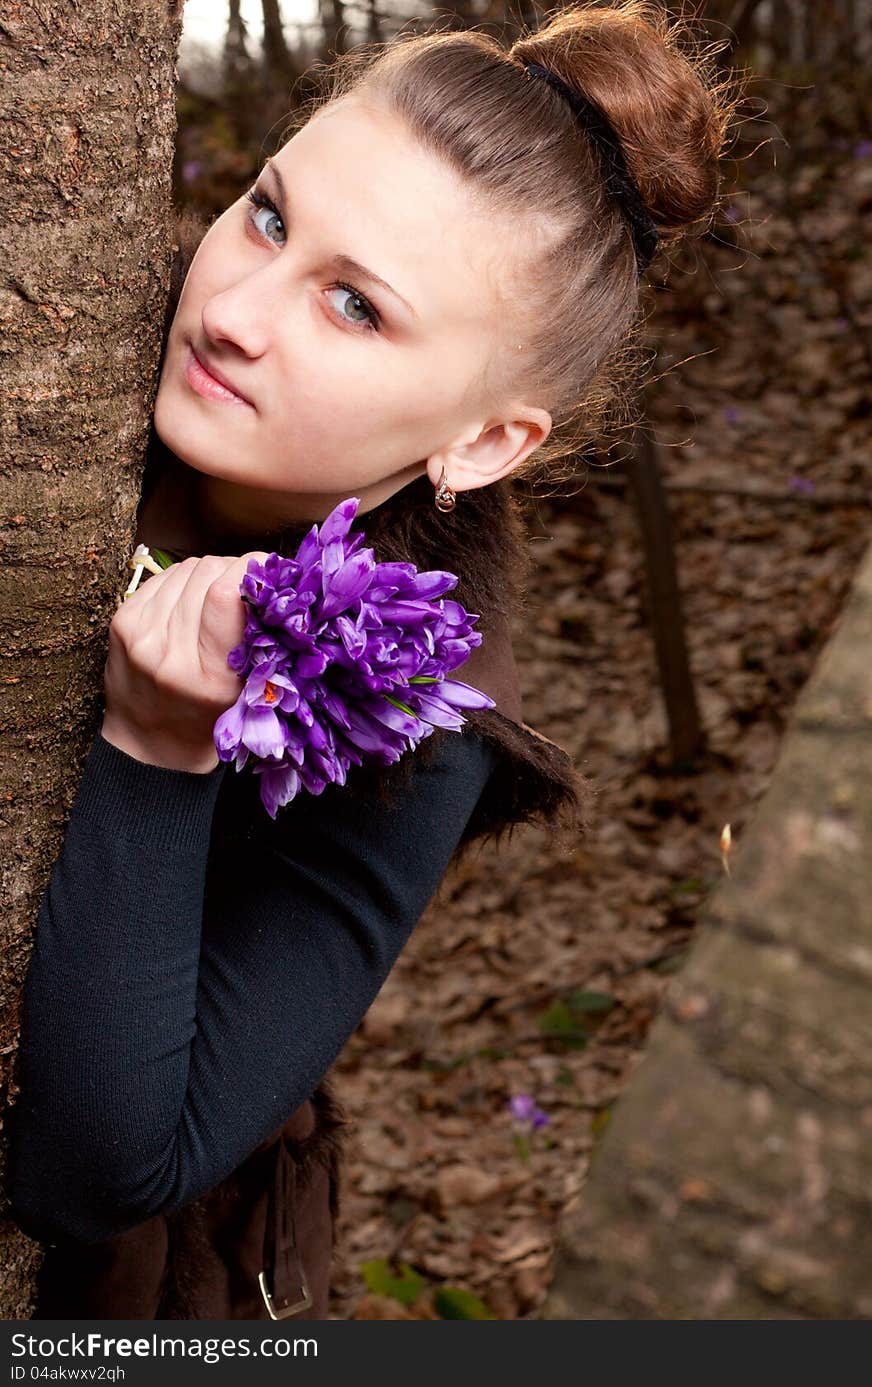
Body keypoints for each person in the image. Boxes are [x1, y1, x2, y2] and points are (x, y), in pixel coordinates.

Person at [7, 2, 731, 1319]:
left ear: (487, 443)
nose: (233, 310)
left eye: (355, 306)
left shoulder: (423, 728)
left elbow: (101, 1168)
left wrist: (162, 753)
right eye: (270, 216)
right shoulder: (59, 334)